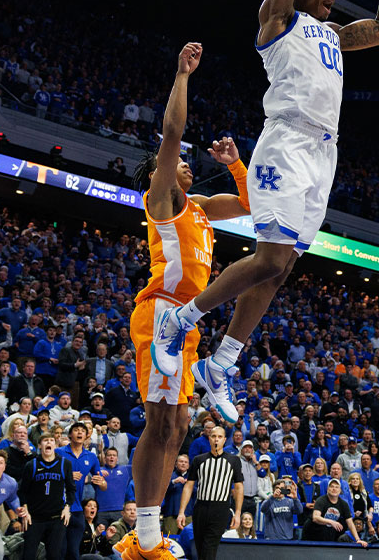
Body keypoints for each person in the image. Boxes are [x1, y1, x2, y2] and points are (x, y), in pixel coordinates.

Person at [151, 0, 379, 427]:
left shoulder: (333, 34)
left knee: (283, 266)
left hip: (322, 152)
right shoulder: (276, 16)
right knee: (269, 258)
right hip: (286, 142)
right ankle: (180, 321)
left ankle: (219, 364)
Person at [116, 42, 253, 560]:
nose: (189, 166)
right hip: (162, 312)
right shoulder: (163, 199)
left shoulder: (198, 206)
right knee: (159, 421)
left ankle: (145, 535)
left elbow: (247, 202)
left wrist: (237, 164)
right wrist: (182, 75)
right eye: (181, 165)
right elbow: (173, 134)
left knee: (177, 424)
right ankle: (146, 537)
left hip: (188, 324)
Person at [176, 424, 242, 560]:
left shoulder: (233, 460)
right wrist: (182, 511)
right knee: (200, 548)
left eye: (219, 437)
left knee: (209, 546)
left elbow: (239, 487)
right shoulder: (198, 460)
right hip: (200, 507)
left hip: (221, 508)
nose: (216, 440)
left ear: (225, 440)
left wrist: (237, 513)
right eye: (213, 436)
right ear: (209, 439)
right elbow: (188, 486)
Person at [19, 435, 73, 560]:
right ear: (39, 445)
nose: (48, 442)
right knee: (28, 555)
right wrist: (25, 509)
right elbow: (22, 491)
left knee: (54, 555)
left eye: (51, 440)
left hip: (56, 517)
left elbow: (71, 489)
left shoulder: (65, 464)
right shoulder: (31, 465)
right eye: (45, 440)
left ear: (55, 445)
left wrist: (67, 507)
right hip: (34, 518)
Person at [57, 422, 104, 560]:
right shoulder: (59, 452)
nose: (79, 433)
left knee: (73, 552)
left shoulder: (91, 457)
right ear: (70, 434)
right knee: (59, 551)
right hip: (58, 508)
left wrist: (102, 482)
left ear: (87, 435)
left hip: (77, 509)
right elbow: (48, 475)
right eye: (76, 430)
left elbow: (102, 484)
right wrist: (67, 475)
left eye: (82, 431)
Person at [303, 478, 367, 547]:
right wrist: (331, 522)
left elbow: (350, 523)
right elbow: (315, 518)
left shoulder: (343, 504)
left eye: (336, 487)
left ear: (340, 491)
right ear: (327, 489)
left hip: (327, 534)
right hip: (311, 533)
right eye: (332, 486)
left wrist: (357, 539)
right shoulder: (321, 500)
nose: (334, 489)